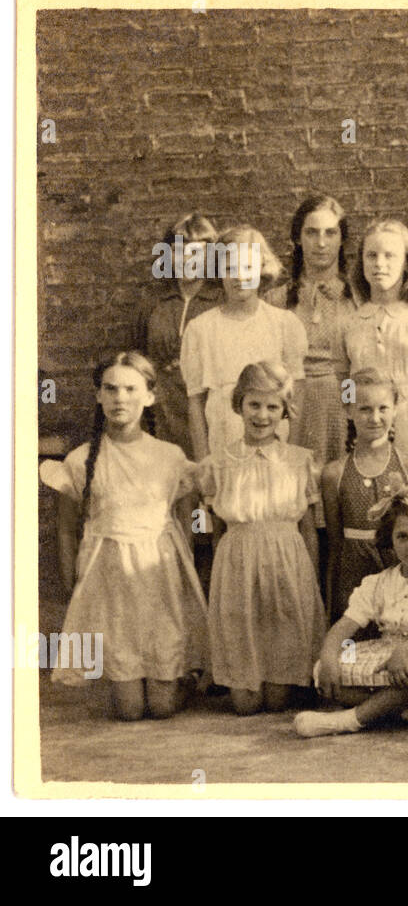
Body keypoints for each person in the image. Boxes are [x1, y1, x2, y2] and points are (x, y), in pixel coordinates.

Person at [39, 351, 207, 720]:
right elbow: (67, 528)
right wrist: (73, 581)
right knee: (130, 712)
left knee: (161, 708)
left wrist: (186, 574)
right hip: (110, 579)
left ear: (150, 396)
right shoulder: (81, 459)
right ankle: (126, 683)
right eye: (110, 389)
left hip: (159, 577)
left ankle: (184, 680)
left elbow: (187, 519)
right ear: (98, 395)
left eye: (131, 389)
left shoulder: (169, 455)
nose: (120, 398)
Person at [195, 362, 326, 715]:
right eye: (254, 404)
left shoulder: (301, 462)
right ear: (239, 404)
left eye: (272, 407)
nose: (262, 415)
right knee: (245, 704)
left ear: (284, 411)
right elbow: (210, 528)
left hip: (287, 561)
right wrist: (214, 573)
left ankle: (288, 676)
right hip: (236, 562)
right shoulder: (217, 464)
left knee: (277, 699)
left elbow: (310, 529)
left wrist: (307, 579)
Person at [294, 494, 408, 737]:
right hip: (384, 650)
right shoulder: (378, 583)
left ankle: (348, 721)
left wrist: (406, 649)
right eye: (402, 537)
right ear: (390, 540)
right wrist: (329, 655)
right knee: (325, 671)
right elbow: (345, 627)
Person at [338, 218, 408, 485]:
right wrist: (353, 413)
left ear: (407, 263)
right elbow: (343, 378)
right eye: (372, 255)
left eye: (390, 256)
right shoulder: (349, 322)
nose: (380, 264)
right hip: (370, 420)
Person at [181, 224, 307, 461]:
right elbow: (195, 405)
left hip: (274, 444)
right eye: (230, 268)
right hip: (223, 441)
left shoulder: (284, 324)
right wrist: (204, 463)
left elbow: (296, 398)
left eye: (247, 267)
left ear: (261, 269)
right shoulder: (200, 329)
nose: (239, 277)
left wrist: (291, 456)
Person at [321, 369, 408, 623]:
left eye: (383, 408)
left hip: (402, 569)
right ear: (348, 411)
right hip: (354, 573)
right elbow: (336, 545)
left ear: (395, 409)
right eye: (365, 409)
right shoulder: (334, 473)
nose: (375, 418)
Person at [269, 194, 356, 467]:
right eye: (311, 233)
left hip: (342, 406)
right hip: (294, 408)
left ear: (341, 239)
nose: (321, 243)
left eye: (330, 233)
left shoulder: (357, 298)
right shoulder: (276, 300)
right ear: (297, 238)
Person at [135, 212, 222, 458]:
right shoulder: (153, 303)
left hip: (208, 408)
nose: (186, 259)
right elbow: (136, 359)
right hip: (163, 410)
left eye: (196, 251)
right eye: (179, 250)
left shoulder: (221, 300)